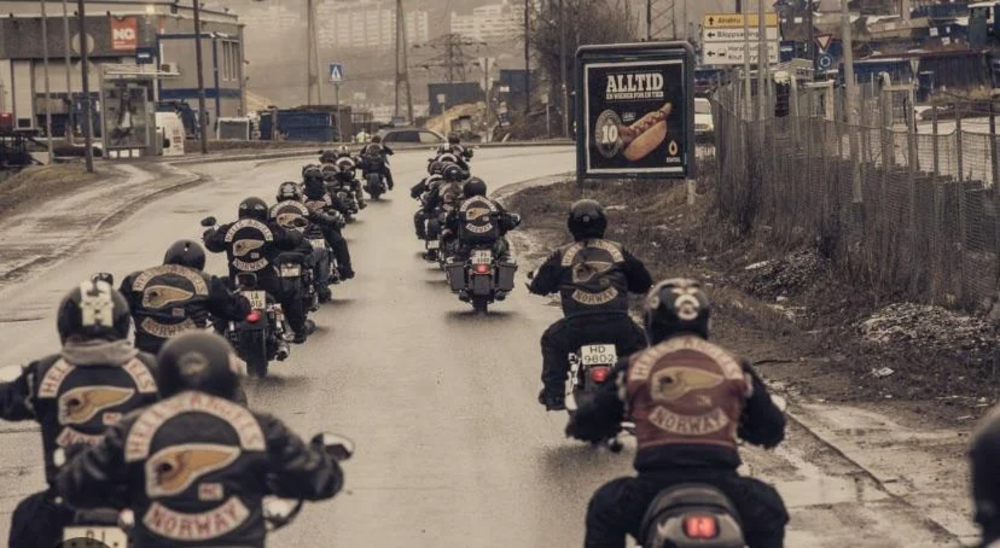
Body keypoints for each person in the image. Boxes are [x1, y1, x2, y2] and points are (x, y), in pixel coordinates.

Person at [57, 331, 345, 548]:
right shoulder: (260, 426)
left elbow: (76, 488)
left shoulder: (131, 428)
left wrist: (120, 492)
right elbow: (319, 479)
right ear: (228, 374)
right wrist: (324, 460)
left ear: (165, 375)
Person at [568, 278, 788, 548]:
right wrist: (747, 428)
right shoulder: (735, 365)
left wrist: (583, 425)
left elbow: (590, 421)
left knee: (603, 508)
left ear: (651, 323)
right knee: (771, 509)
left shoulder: (634, 367)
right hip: (722, 481)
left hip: (655, 484)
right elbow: (772, 428)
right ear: (706, 322)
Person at [1, 280, 160, 548]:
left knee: (25, 516)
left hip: (66, 502)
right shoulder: (154, 369)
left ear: (65, 325)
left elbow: (6, 399)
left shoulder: (41, 372)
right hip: (139, 500)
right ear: (123, 324)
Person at [528, 199, 653, 411]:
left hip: (577, 327)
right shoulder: (619, 250)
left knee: (551, 341)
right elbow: (643, 282)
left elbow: (540, 286)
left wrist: (540, 286)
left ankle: (554, 395)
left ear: (571, 225)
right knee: (640, 343)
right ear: (603, 222)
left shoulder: (561, 255)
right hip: (617, 325)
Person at [203, 197, 314, 343]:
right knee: (291, 291)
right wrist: (298, 231)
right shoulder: (270, 228)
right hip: (268, 283)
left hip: (238, 283)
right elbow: (291, 241)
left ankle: (219, 332)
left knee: (219, 294)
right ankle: (299, 331)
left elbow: (212, 244)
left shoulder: (229, 229)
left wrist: (209, 233)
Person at [120, 240, 252, 355]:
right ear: (200, 262)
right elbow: (236, 311)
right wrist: (242, 298)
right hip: (189, 354)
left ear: (167, 256)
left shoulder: (135, 279)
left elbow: (115, 310)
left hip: (147, 354)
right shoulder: (208, 282)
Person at [271, 181, 348, 302]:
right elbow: (322, 219)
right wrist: (333, 220)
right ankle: (322, 289)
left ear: (278, 197)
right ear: (299, 196)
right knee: (322, 252)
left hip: (279, 252)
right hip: (301, 249)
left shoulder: (272, 210)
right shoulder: (304, 208)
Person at [444, 177, 520, 263]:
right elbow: (506, 221)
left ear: (466, 190)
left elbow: (450, 222)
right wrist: (512, 221)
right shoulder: (493, 203)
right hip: (493, 246)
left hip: (465, 247)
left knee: (453, 254)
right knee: (505, 250)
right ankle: (505, 260)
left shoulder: (459, 205)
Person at [302, 172, 355, 281]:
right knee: (340, 242)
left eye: (316, 181)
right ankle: (345, 269)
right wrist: (346, 210)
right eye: (312, 181)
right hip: (322, 227)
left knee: (339, 242)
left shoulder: (301, 196)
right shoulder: (328, 195)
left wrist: (346, 209)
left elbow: (342, 207)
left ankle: (344, 269)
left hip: (306, 229)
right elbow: (342, 206)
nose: (314, 184)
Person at [411, 160, 448, 240]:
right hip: (445, 209)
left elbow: (414, 191)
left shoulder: (426, 180)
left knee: (418, 216)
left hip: (432, 208)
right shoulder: (447, 180)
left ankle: (422, 235)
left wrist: (415, 194)